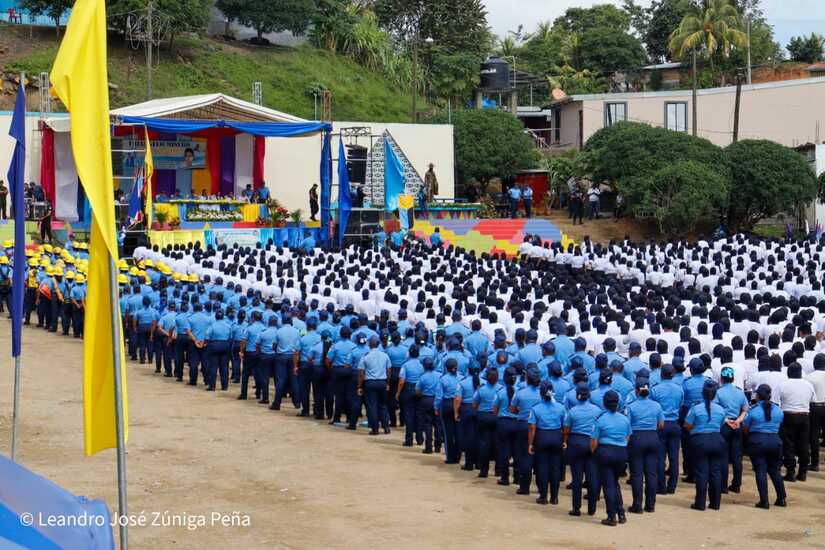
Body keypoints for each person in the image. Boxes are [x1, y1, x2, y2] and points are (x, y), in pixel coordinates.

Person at [684, 380, 726, 511]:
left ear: (702, 393)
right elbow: (721, 424)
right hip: (717, 440)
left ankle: (700, 503)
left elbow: (687, 425)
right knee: (715, 472)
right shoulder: (720, 409)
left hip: (700, 441)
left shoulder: (695, 408)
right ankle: (715, 503)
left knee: (702, 473)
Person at [592, 390, 631, 526]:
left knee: (608, 485)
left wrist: (594, 452)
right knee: (615, 483)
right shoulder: (624, 419)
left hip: (605, 452)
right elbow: (628, 436)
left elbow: (594, 441)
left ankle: (611, 516)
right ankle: (621, 513)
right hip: (621, 452)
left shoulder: (601, 419)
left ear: (604, 403)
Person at [743, 384, 787, 509]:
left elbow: (746, 428)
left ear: (758, 396)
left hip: (757, 441)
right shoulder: (778, 410)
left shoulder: (753, 410)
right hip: (775, 441)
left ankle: (764, 501)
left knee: (760, 470)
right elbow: (780, 424)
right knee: (774, 470)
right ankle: (781, 498)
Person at [626, 379, 664, 513]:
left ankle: (637, 505)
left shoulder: (631, 406)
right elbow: (661, 425)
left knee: (636, 474)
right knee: (651, 473)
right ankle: (650, 505)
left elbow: (627, 426)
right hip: (653, 437)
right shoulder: (656, 406)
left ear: (637, 391)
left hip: (637, 438)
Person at [564, 383, 601, 516]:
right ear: (589, 395)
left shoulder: (572, 411)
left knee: (577, 478)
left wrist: (566, 441)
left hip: (576, 442)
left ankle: (576, 508)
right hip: (591, 443)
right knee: (592, 476)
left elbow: (567, 430)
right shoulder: (597, 410)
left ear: (577, 396)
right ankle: (591, 508)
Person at [528, 380, 565, 505]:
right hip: (556, 437)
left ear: (541, 393)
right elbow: (564, 426)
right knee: (555, 468)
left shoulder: (535, 408)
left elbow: (532, 428)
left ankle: (543, 496)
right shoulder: (561, 407)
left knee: (542, 468)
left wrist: (530, 444)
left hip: (542, 437)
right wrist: (564, 440)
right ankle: (554, 497)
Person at [779, 362, 815, 482]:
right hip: (804, 417)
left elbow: (775, 401)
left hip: (787, 416)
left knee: (789, 445)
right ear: (800, 373)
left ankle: (790, 472)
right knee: (804, 444)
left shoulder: (783, 385)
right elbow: (812, 400)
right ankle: (803, 472)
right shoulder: (808, 385)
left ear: (788, 372)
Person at [716, 366, 748, 493]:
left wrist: (726, 420)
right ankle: (736, 484)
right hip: (736, 425)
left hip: (724, 425)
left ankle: (723, 486)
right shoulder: (740, 392)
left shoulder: (718, 392)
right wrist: (738, 420)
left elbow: (716, 409)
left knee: (723, 456)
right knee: (737, 457)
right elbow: (745, 409)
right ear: (733, 378)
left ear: (722, 379)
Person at [358, 336, 391, 435]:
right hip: (382, 382)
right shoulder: (385, 355)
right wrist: (387, 383)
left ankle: (375, 429)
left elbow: (361, 373)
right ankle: (386, 427)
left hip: (370, 383)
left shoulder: (365, 357)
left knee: (372, 407)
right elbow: (389, 370)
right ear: (378, 344)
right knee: (383, 406)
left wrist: (360, 386)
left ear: (369, 344)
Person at [473, 366, 500, 478]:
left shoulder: (481, 389)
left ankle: (484, 470)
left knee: (484, 443)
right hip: (496, 417)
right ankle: (498, 470)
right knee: (498, 444)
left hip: (483, 417)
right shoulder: (500, 389)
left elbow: (474, 404)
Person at [806, 354, 825, 472]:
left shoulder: (809, 377)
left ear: (814, 364)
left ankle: (815, 462)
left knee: (814, 434)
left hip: (815, 407)